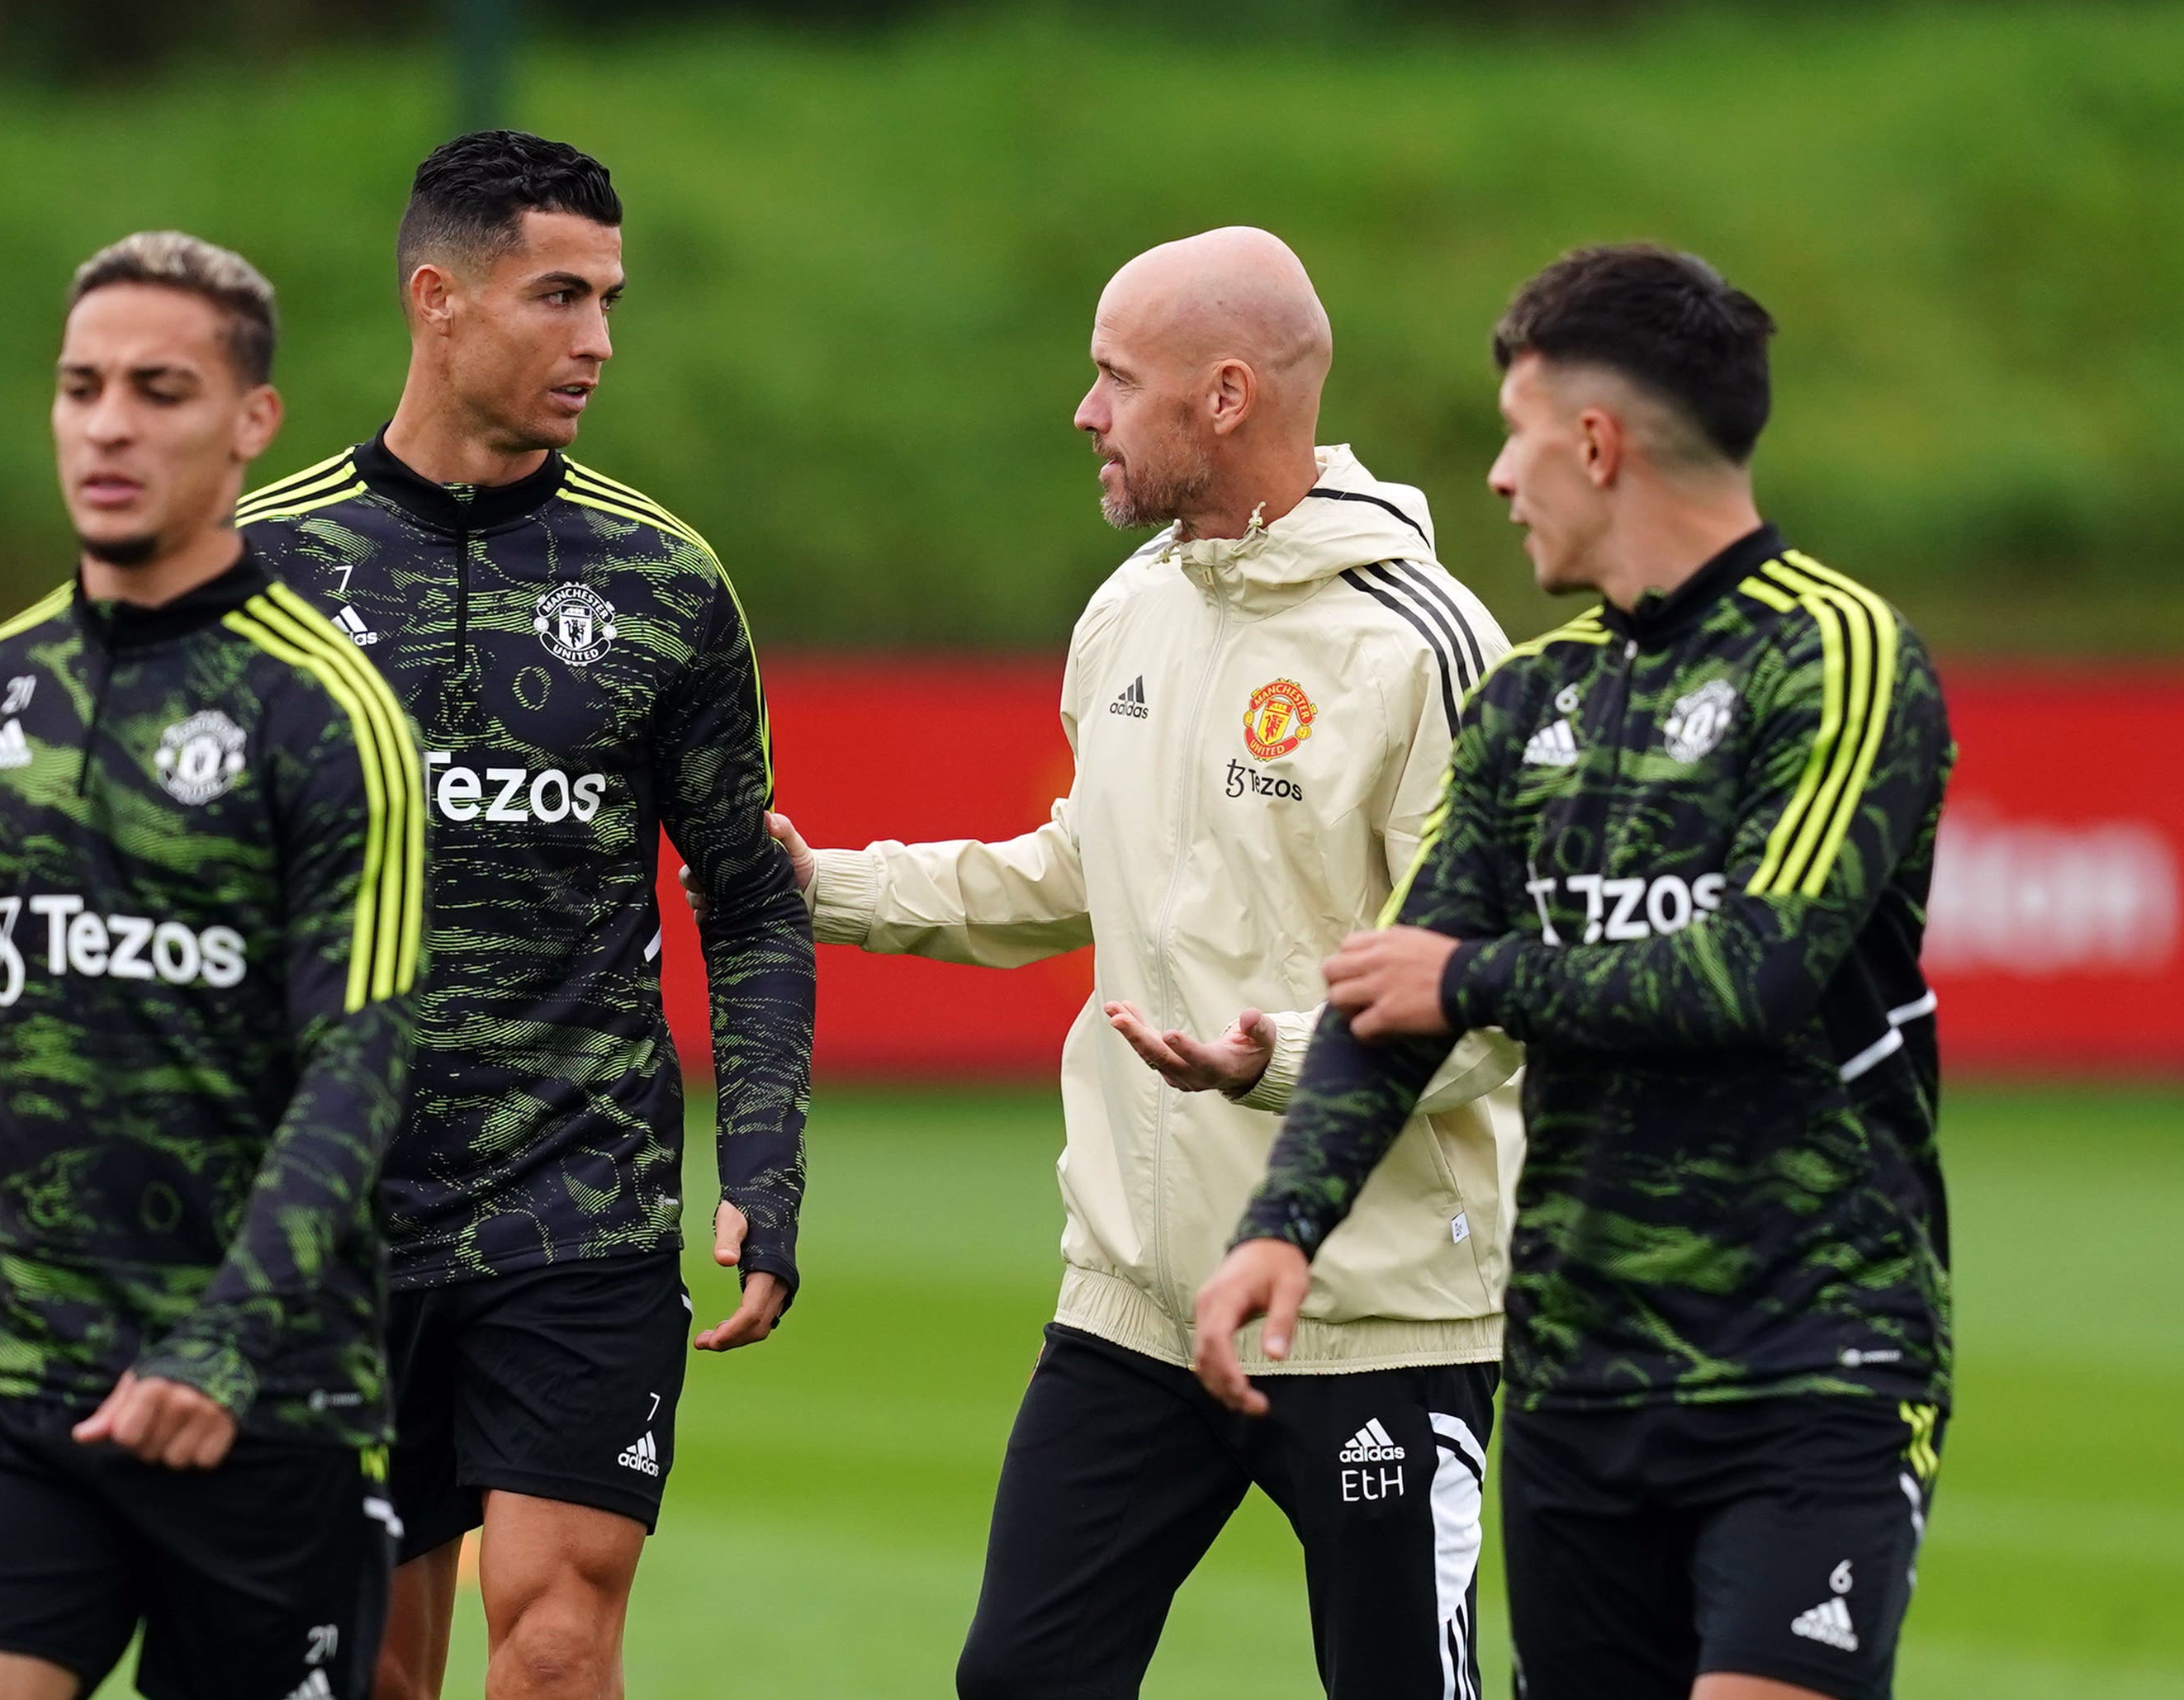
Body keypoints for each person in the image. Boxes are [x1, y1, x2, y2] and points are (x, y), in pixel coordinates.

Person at [696, 227, 1523, 1698]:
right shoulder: (1136, 605)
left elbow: (1492, 1005)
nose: (1084, 411)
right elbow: (1088, 862)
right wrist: (823, 885)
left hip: (1373, 1313)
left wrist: (1270, 1058)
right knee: (1018, 1680)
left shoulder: (1426, 647)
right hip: (1135, 1301)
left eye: (1112, 378)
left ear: (1222, 396)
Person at [1196, 244, 1954, 1700]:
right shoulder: (1536, 694)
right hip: (1574, 1388)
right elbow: (1385, 996)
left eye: (1518, 431)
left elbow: (1758, 972)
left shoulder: (1838, 657)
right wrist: (1281, 1224)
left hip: (1811, 1367)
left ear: (1595, 443)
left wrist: (1476, 978)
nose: (1496, 475)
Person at [0, 231, 427, 1700]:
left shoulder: (330, 715)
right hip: (24, 1402)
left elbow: (359, 1067)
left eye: (161, 389)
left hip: (269, 1410)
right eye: (82, 388)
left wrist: (220, 1348)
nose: (110, 425)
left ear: (250, 422)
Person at [235, 131, 814, 1700]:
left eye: (610, 300)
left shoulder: (663, 581)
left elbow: (752, 897)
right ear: (438, 298)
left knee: (557, 1643)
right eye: (559, 297)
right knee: (377, 1666)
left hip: (581, 1208)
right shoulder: (260, 570)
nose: (599, 341)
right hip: (335, 1217)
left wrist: (763, 1157)